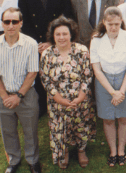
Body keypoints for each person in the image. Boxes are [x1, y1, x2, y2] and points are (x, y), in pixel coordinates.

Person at [0, 7, 41, 173]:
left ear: (20, 23)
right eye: (7, 22)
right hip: (3, 95)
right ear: (2, 24)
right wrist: (4, 96)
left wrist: (18, 96)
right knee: (7, 131)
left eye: (14, 21)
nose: (11, 25)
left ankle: (33, 160)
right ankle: (13, 160)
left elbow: (32, 73)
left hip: (26, 95)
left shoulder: (30, 44)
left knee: (30, 130)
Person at [18, 0, 74, 115]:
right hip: (34, 42)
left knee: (56, 75)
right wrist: (37, 44)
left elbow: (67, 17)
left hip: (56, 41)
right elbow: (25, 20)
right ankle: (42, 107)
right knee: (38, 75)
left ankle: (61, 104)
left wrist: (51, 42)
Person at [40, 16, 96, 169]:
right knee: (61, 126)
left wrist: (80, 97)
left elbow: (88, 75)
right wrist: (59, 99)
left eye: (65, 34)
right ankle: (63, 152)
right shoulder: (47, 54)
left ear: (71, 34)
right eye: (58, 34)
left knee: (81, 125)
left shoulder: (82, 51)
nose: (61, 37)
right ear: (53, 36)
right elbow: (45, 79)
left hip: (80, 99)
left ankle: (81, 150)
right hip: (57, 101)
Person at [90, 7, 126, 167]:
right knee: (108, 118)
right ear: (104, 22)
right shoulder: (96, 39)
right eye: (110, 24)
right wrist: (112, 92)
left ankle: (121, 150)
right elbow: (96, 69)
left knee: (124, 117)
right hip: (104, 82)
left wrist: (121, 92)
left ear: (121, 22)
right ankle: (113, 151)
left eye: (117, 24)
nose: (113, 27)